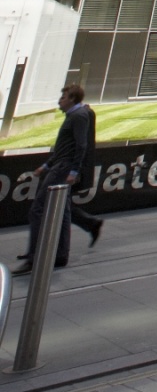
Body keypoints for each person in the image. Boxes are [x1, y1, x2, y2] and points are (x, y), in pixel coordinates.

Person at [15, 83, 101, 272]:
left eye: (63, 97)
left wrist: (73, 172)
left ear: (72, 99)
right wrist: (46, 165)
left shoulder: (78, 117)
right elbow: (66, 146)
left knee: (37, 210)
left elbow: (81, 146)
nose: (59, 101)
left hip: (63, 169)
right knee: (62, 211)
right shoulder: (75, 115)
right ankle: (60, 254)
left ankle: (34, 256)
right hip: (61, 167)